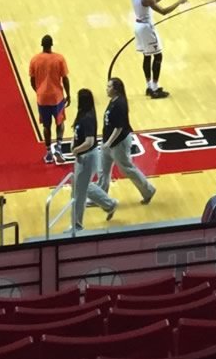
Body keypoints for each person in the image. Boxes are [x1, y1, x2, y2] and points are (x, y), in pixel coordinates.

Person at [99, 76, 157, 205]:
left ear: (115, 89)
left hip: (118, 143)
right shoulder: (114, 100)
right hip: (108, 142)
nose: (106, 89)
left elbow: (119, 127)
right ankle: (101, 197)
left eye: (109, 86)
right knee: (103, 170)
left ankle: (148, 190)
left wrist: (108, 143)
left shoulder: (120, 104)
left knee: (127, 169)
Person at [67, 88, 116, 232]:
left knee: (79, 193)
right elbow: (79, 134)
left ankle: (77, 225)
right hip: (84, 156)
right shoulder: (84, 113)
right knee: (81, 186)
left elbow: (89, 141)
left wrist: (76, 150)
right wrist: (73, 142)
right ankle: (109, 204)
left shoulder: (87, 117)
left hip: (87, 157)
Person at [130, 0, 184, 98]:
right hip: (146, 29)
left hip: (138, 26)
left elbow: (153, 0)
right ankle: (154, 88)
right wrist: (179, 2)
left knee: (147, 56)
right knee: (158, 56)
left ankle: (149, 86)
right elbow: (163, 11)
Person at [29, 35, 70, 160]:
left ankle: (48, 153)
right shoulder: (59, 58)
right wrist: (68, 94)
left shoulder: (34, 60)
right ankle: (58, 147)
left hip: (42, 98)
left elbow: (32, 80)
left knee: (46, 126)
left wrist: (39, 91)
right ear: (51, 44)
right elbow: (65, 78)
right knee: (60, 123)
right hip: (57, 97)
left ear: (42, 44)